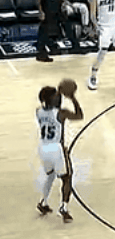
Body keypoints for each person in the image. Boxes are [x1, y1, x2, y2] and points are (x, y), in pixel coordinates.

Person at [36, 83, 84, 223]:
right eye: (56, 96)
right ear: (51, 99)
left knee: (50, 175)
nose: (59, 98)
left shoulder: (38, 111)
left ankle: (43, 202)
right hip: (56, 148)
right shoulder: (61, 113)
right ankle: (64, 207)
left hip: (43, 147)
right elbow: (79, 115)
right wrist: (73, 98)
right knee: (67, 178)